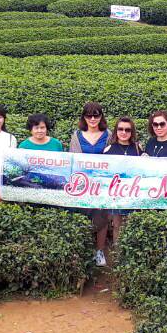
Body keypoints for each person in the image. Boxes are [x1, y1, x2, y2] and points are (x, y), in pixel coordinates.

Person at [69, 102, 111, 266]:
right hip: (83, 182)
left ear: (101, 116)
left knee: (102, 214)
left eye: (96, 115)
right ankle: (83, 250)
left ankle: (99, 251)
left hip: (102, 182)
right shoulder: (77, 135)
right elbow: (73, 158)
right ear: (84, 117)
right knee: (82, 213)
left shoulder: (108, 134)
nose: (93, 119)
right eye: (89, 115)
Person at [103, 115, 142, 260]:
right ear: (116, 131)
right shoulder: (108, 149)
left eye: (127, 129)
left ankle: (131, 255)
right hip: (116, 194)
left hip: (134, 193)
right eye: (120, 129)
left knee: (132, 223)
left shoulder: (137, 148)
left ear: (132, 132)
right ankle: (118, 255)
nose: (124, 132)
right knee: (117, 224)